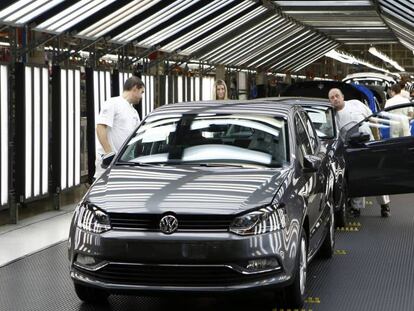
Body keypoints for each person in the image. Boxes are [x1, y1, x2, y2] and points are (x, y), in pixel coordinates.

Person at [328, 88, 391, 217]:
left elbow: (373, 120)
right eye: (332, 97)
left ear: (342, 96)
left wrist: (378, 140)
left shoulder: (356, 104)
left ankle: (385, 206)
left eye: (337, 96)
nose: (335, 99)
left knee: (376, 176)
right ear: (330, 101)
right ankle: (356, 208)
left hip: (370, 145)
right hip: (353, 149)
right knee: (357, 178)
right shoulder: (332, 116)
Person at [95, 76, 144, 178]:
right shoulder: (113, 103)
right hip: (107, 163)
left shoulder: (134, 112)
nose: (141, 96)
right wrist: (109, 153)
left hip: (124, 163)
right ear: (135, 88)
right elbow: (100, 127)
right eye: (141, 92)